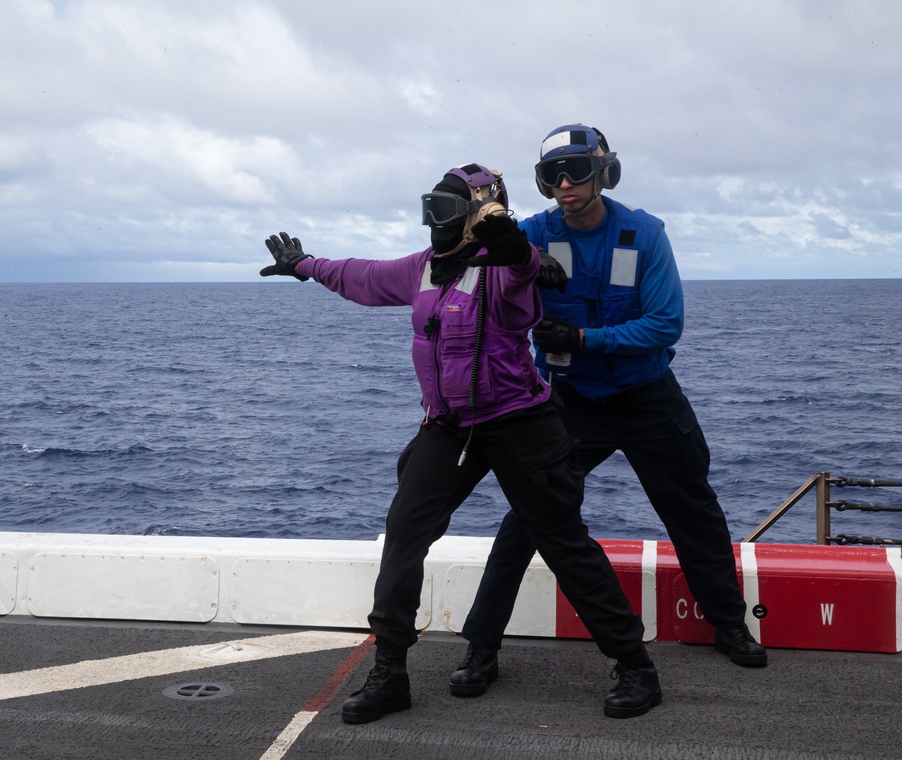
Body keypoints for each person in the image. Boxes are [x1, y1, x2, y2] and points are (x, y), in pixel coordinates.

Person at [260, 163, 662, 722]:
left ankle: (635, 664)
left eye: (446, 212)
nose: (434, 223)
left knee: (564, 544)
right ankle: (390, 673)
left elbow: (524, 287)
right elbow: (364, 276)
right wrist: (305, 265)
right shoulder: (426, 269)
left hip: (520, 423)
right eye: (430, 209)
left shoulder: (505, 268)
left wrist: (519, 254)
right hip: (449, 427)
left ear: (478, 215)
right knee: (403, 534)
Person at [448, 125, 767, 699]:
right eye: (552, 176)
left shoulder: (644, 234)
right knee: (527, 518)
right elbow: (475, 288)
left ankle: (728, 625)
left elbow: (665, 324)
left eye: (576, 171)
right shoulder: (528, 238)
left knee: (691, 509)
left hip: (646, 396)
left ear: (605, 173)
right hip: (568, 400)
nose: (565, 185)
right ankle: (482, 648)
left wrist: (584, 338)